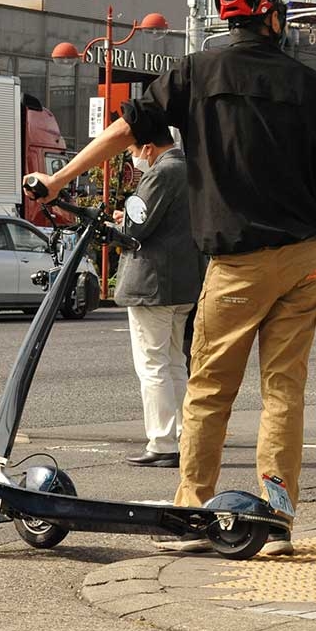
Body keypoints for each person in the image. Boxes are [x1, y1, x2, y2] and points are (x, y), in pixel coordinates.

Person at [25, 0, 316, 557]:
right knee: (283, 391)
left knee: (208, 391)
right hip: (303, 256)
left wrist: (57, 178)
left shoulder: (197, 72)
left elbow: (125, 130)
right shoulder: (314, 87)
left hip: (237, 264)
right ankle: (277, 521)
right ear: (275, 20)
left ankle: (192, 511)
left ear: (231, 22)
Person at [111, 129, 204, 468]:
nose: (136, 159)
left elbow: (136, 228)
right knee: (176, 362)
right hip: (184, 283)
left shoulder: (161, 172)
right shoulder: (191, 168)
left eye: (136, 151)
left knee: (152, 365)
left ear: (148, 148)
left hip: (153, 285)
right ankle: (182, 437)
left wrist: (121, 220)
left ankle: (162, 442)